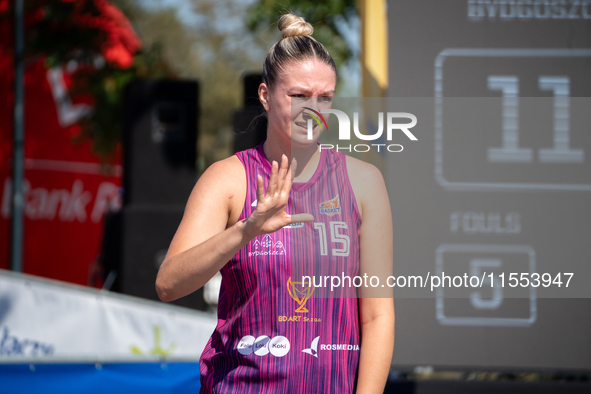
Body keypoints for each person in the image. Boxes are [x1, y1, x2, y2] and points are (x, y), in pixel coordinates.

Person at [155, 13, 394, 394]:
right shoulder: (228, 180)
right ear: (265, 96)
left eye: (325, 97)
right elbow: (168, 284)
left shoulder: (363, 182)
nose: (313, 109)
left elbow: (378, 315)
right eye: (298, 95)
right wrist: (245, 230)